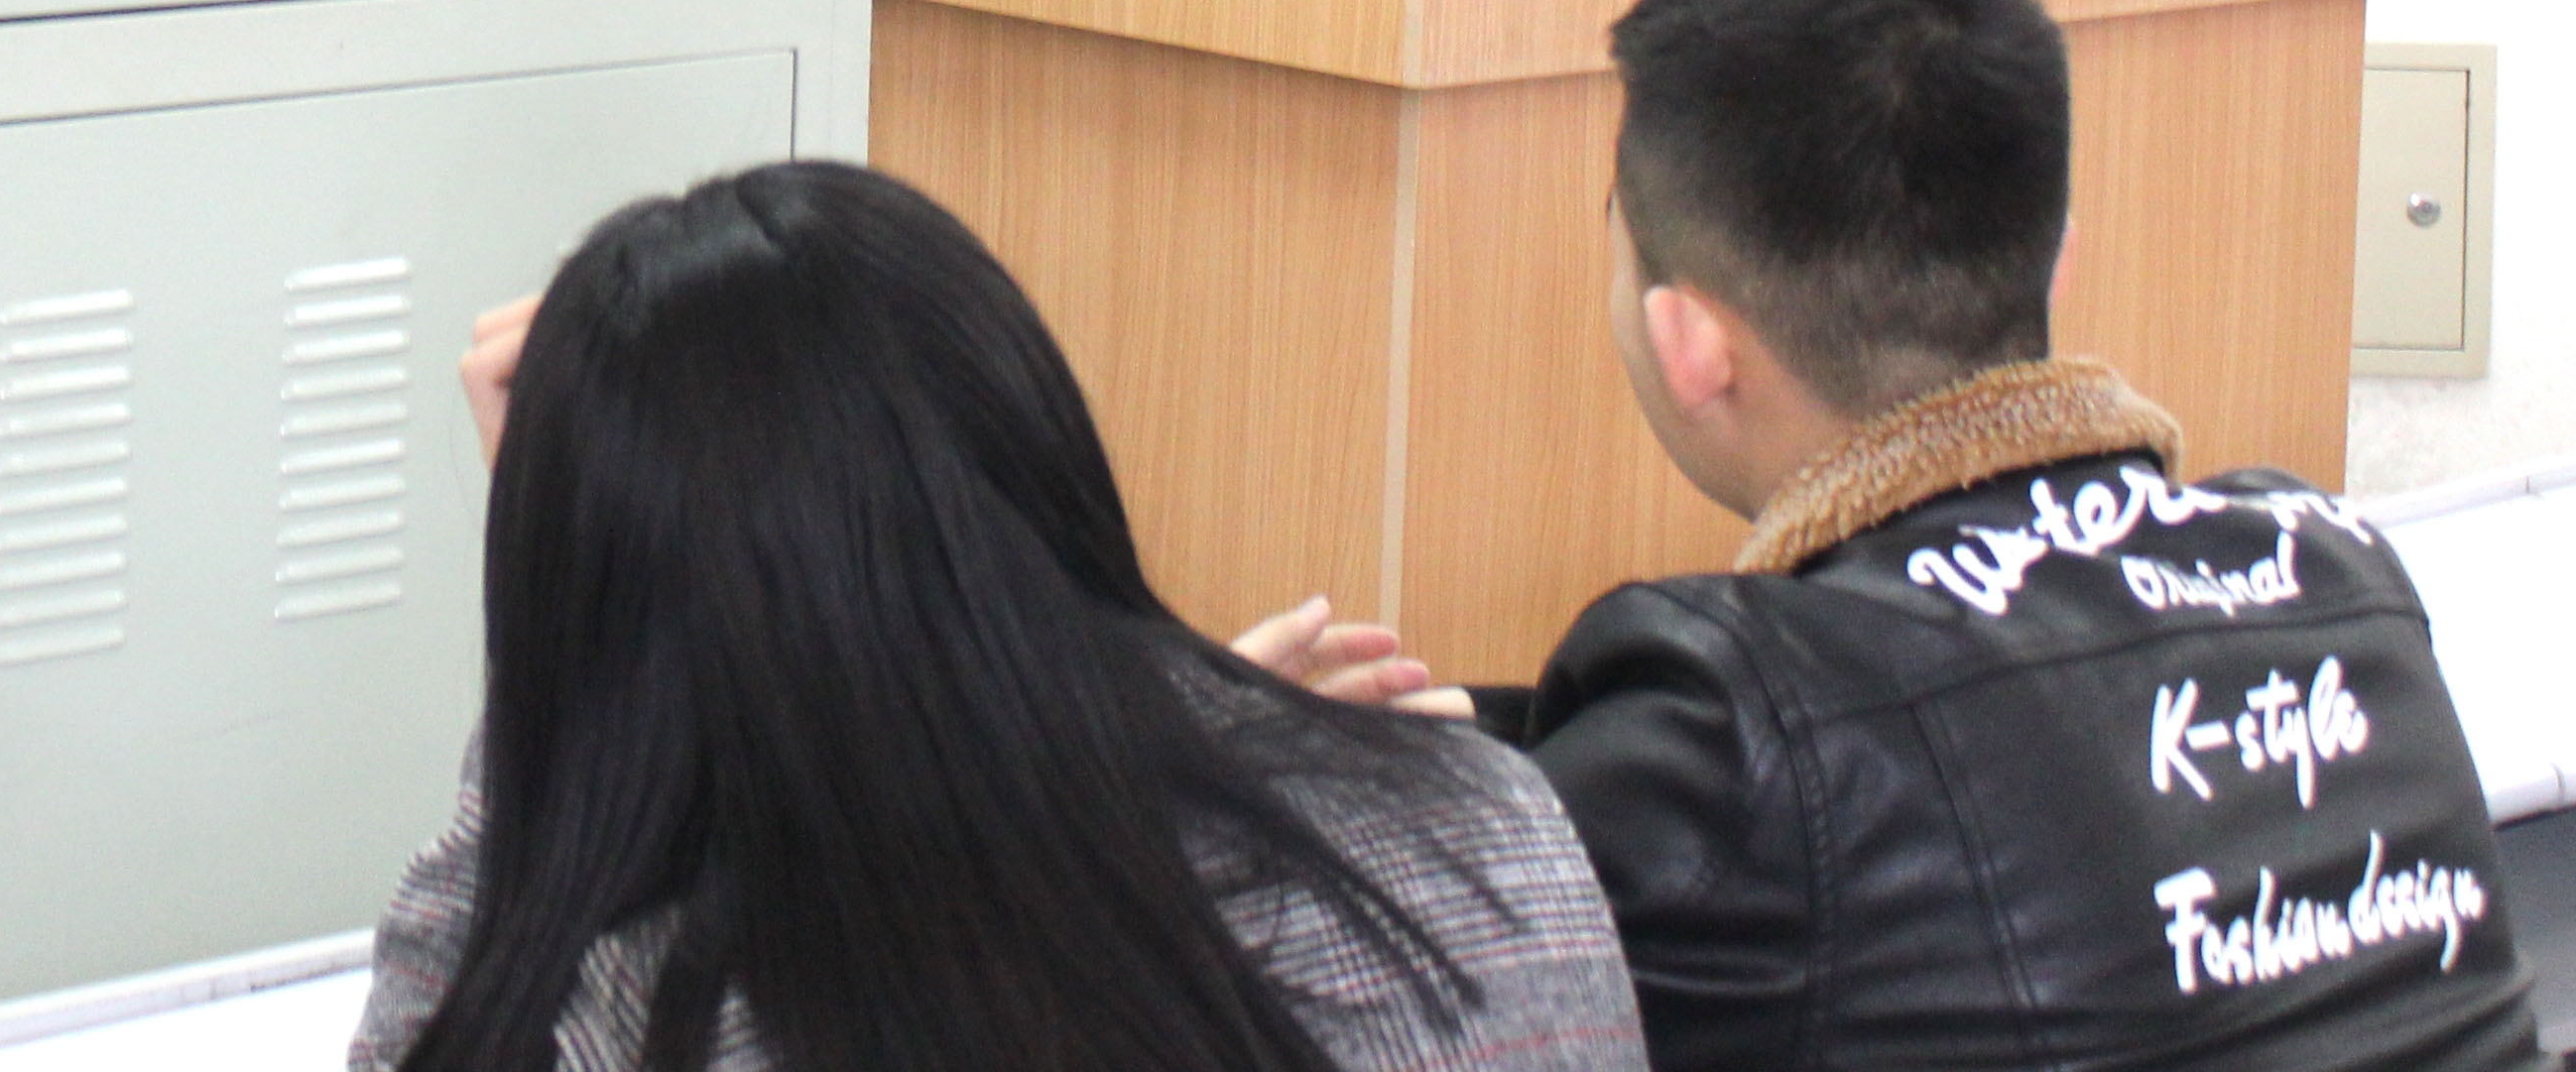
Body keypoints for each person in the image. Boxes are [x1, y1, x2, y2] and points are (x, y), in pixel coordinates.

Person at [1256, 0, 2541, 1071]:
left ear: (1688, 344)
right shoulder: (2333, 565)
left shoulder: (1738, 736)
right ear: (2058, 258)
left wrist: (1209, 766)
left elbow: (1314, 976)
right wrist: (1464, 745)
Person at [358, 161, 1646, 1072]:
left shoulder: (666, 1004)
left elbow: (445, 1027)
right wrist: (1176, 723)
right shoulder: (1491, 821)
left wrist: (557, 573)